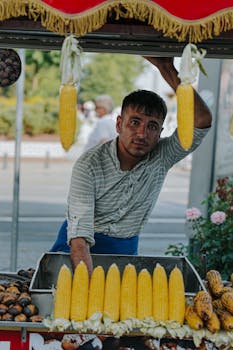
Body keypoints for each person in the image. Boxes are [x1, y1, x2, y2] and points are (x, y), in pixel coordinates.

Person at [51, 57, 212, 276]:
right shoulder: (89, 165)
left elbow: (201, 120)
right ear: (119, 124)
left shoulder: (163, 156)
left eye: (152, 126)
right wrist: (87, 292)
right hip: (77, 249)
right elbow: (79, 239)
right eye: (134, 122)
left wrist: (167, 68)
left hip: (125, 247)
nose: (141, 134)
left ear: (161, 132)